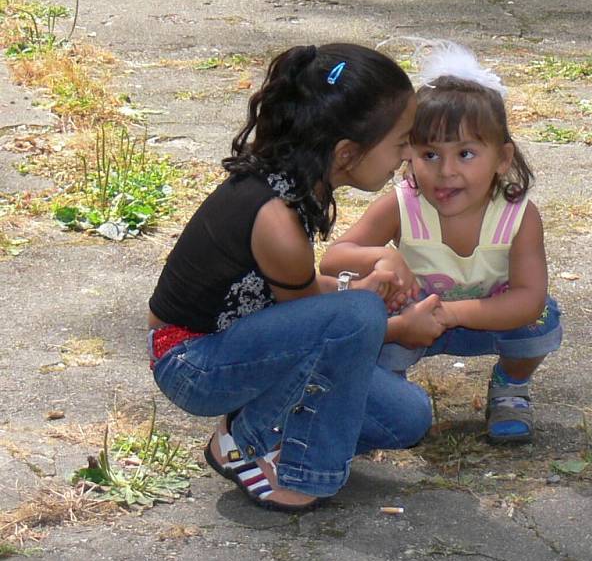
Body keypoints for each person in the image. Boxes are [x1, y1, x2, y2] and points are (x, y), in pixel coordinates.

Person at [146, 43, 444, 512]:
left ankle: (264, 425)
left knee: (406, 418)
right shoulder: (276, 219)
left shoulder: (292, 187)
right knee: (358, 317)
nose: (406, 156)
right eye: (401, 142)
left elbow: (305, 303)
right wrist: (393, 323)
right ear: (346, 153)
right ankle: (267, 451)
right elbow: (319, 326)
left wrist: (357, 291)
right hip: (192, 362)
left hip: (244, 347)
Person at [320, 41, 562, 445]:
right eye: (430, 155)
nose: (446, 171)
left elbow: (528, 297)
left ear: (502, 159)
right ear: (408, 155)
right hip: (415, 322)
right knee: (380, 324)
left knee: (541, 322)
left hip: (490, 316)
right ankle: (388, 391)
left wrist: (451, 313)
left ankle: (510, 387)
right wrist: (381, 257)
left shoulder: (517, 215)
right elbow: (333, 260)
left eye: (466, 153)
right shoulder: (402, 205)